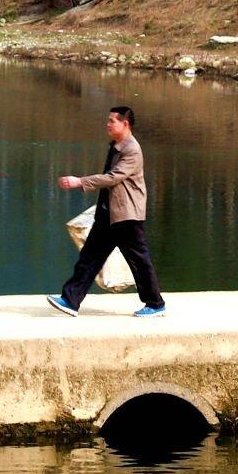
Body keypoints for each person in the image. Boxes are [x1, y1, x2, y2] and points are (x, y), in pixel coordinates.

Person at [48, 105, 164, 317]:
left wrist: (79, 182)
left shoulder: (132, 150)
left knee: (139, 261)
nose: (108, 124)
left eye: (112, 121)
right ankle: (70, 300)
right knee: (90, 256)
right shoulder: (117, 145)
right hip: (109, 213)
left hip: (126, 216)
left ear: (125, 124)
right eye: (108, 120)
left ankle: (155, 304)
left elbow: (113, 177)